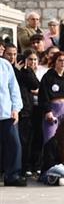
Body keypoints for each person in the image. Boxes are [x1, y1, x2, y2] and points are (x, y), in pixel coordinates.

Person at [14, 49, 40, 178]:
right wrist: (17, 71)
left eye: (34, 59)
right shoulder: (14, 71)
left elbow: (35, 85)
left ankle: (24, 168)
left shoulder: (27, 72)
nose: (32, 62)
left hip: (27, 110)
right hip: (16, 110)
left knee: (26, 141)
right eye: (30, 59)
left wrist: (25, 70)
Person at [0, 55, 26, 186]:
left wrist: (16, 108)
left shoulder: (4, 64)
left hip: (6, 112)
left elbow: (13, 88)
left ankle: (12, 175)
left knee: (14, 145)